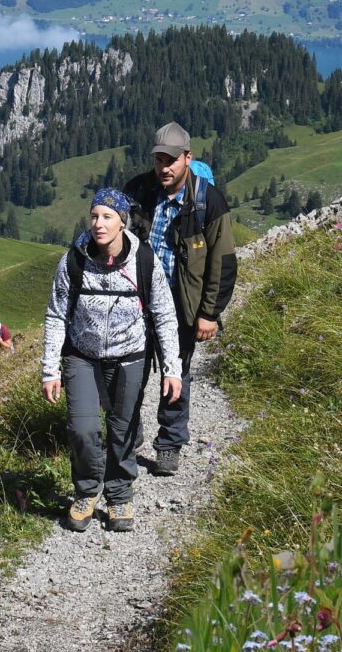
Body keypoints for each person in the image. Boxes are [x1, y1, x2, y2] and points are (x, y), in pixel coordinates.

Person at [41, 187, 180, 532]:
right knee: (83, 428)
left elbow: (164, 315)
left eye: (107, 217)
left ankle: (119, 496)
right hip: (81, 355)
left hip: (130, 355)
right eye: (94, 216)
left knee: (123, 428)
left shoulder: (145, 261)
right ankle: (87, 491)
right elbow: (57, 315)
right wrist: (50, 369)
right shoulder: (73, 260)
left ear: (122, 222)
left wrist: (171, 368)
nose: (98, 224)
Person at [125, 121, 237, 477]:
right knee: (129, 369)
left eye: (171, 160)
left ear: (187, 158)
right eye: (159, 160)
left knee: (177, 372)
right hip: (137, 300)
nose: (165, 167)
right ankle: (128, 432)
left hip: (180, 302)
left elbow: (224, 262)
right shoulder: (139, 191)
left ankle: (170, 442)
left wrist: (210, 313)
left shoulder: (208, 201)